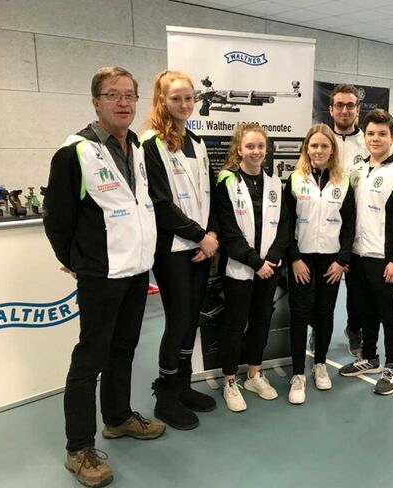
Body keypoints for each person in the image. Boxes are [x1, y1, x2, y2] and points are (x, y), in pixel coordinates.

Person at [44, 66, 165, 488]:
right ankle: (78, 448)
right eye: (113, 95)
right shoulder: (74, 152)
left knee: (124, 349)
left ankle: (117, 418)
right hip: (101, 274)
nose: (123, 102)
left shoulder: (137, 147)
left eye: (130, 95)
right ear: (96, 102)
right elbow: (56, 218)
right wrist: (77, 260)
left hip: (136, 269)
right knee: (90, 358)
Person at [141, 70, 219, 430]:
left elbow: (209, 195)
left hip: (201, 247)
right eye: (176, 98)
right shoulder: (151, 144)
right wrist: (200, 236)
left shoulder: (198, 143)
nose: (184, 104)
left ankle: (184, 385)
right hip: (172, 248)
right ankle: (166, 394)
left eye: (189, 98)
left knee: (192, 319)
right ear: (162, 100)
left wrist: (211, 235)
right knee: (178, 320)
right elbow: (160, 203)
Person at [338, 109, 393, 396]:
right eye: (370, 133)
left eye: (382, 134)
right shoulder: (357, 169)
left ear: (392, 137)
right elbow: (348, 214)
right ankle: (369, 358)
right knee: (364, 310)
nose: (375, 138)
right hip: (357, 256)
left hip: (384, 259)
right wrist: (345, 253)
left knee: (388, 312)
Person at [214, 123, 288, 412]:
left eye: (260, 146)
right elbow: (228, 232)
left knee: (261, 321)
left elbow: (284, 226)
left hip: (269, 268)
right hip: (240, 269)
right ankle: (230, 381)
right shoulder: (227, 182)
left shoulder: (275, 183)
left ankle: (254, 375)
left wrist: (273, 258)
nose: (256, 151)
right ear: (239, 149)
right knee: (234, 324)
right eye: (250, 146)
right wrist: (256, 263)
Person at [284, 124, 355, 404]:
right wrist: (294, 258)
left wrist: (342, 260)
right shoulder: (294, 179)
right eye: (314, 145)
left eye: (325, 145)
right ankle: (297, 374)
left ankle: (320, 364)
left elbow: (349, 225)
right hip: (301, 259)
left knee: (325, 313)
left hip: (330, 260)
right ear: (307, 148)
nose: (319, 150)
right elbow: (286, 223)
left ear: (332, 150)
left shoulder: (343, 181)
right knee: (299, 314)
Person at [326, 84, 369, 356]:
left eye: (350, 105)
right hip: (324, 225)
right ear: (331, 109)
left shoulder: (367, 142)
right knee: (323, 286)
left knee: (357, 290)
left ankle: (354, 329)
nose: (345, 110)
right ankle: (319, 330)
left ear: (357, 109)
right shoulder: (321, 138)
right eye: (339, 105)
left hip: (357, 227)